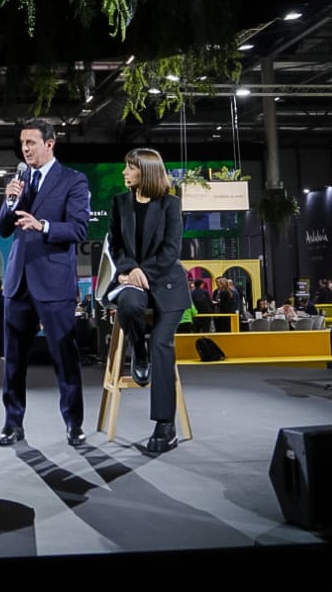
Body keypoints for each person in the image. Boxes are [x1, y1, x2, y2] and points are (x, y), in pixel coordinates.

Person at [0, 118, 89, 447]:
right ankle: (12, 424)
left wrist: (44, 226)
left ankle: (74, 423)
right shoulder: (19, 179)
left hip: (53, 281)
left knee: (64, 356)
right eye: (22, 143)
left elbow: (79, 229)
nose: (25, 148)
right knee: (14, 361)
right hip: (18, 281)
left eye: (31, 142)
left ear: (50, 144)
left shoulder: (73, 181)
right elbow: (3, 228)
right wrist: (9, 200)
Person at [104, 147, 189, 454]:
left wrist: (142, 272)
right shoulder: (120, 203)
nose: (124, 173)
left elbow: (171, 251)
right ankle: (138, 351)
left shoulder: (170, 204)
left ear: (146, 171)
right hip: (131, 281)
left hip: (167, 284)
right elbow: (114, 244)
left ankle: (165, 426)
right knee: (128, 305)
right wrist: (128, 270)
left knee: (162, 345)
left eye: (130, 168)